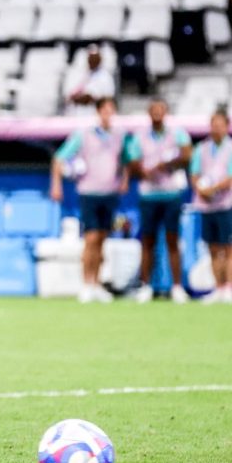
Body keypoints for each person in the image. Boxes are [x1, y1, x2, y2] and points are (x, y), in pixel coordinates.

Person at [50, 97, 129, 303]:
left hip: (110, 192)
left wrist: (124, 179)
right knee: (91, 238)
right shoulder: (83, 135)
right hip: (89, 192)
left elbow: (126, 160)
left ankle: (97, 283)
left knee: (103, 238)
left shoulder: (120, 136)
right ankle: (86, 283)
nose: (108, 114)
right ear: (98, 112)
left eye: (112, 110)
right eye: (105, 110)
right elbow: (59, 158)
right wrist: (56, 185)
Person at [126, 99, 191, 304]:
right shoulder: (139, 136)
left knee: (173, 240)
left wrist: (166, 164)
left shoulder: (178, 134)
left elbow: (187, 156)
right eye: (153, 110)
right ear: (148, 112)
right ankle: (146, 286)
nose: (157, 113)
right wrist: (144, 170)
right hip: (148, 195)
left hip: (171, 194)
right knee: (148, 241)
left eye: (161, 110)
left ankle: (177, 286)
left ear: (166, 112)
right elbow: (133, 163)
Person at [190, 110, 232, 304]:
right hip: (207, 206)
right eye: (213, 124)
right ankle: (219, 287)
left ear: (227, 126)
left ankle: (229, 287)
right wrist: (202, 190)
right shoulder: (201, 148)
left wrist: (213, 189)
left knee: (229, 248)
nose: (216, 128)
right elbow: (195, 173)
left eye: (220, 124)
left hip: (226, 204)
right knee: (213, 248)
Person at [63, 45, 116, 116]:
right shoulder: (77, 73)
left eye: (95, 57)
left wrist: (92, 97)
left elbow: (109, 96)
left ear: (100, 59)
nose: (93, 60)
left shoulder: (105, 76)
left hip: (96, 114)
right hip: (77, 113)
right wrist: (81, 98)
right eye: (91, 57)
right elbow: (68, 94)